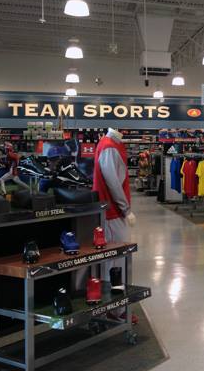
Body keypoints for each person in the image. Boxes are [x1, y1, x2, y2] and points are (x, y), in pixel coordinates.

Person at [93, 128, 137, 324]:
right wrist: (126, 210)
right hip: (112, 213)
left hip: (111, 212)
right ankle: (115, 310)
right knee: (115, 262)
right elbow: (113, 183)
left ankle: (112, 308)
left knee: (113, 261)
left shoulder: (109, 144)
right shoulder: (109, 147)